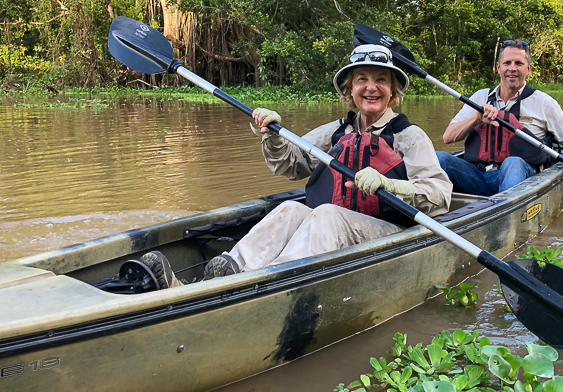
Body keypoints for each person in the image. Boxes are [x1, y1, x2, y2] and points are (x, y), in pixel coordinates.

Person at [140, 44, 453, 289]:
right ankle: (222, 275)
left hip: (388, 231)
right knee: (292, 209)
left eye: (381, 80)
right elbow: (290, 164)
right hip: (337, 230)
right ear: (350, 90)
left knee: (327, 215)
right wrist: (274, 138)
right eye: (362, 80)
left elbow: (440, 194)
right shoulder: (333, 133)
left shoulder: (409, 137)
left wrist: (392, 185)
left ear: (393, 91)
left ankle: (271, 283)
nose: (371, 88)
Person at [436, 39, 563, 197]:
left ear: (528, 69)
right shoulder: (479, 98)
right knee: (439, 158)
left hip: (520, 177)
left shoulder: (544, 102)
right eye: (507, 63)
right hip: (476, 175)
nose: (512, 68)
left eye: (519, 63)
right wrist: (476, 118)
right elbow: (448, 137)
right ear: (498, 68)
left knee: (513, 163)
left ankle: (505, 217)